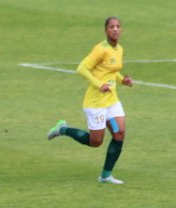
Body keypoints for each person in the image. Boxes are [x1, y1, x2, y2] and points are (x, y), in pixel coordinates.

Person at [46, 16, 133, 185]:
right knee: (95, 142)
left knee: (119, 133)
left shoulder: (119, 49)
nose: (115, 29)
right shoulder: (100, 49)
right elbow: (82, 68)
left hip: (111, 101)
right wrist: (99, 84)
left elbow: (111, 71)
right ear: (105, 30)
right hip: (96, 103)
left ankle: (106, 175)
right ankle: (63, 129)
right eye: (111, 27)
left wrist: (123, 81)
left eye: (118, 26)